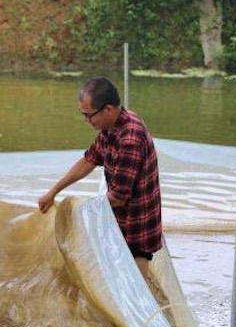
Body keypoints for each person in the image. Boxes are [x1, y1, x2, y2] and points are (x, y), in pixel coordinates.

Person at [38, 77, 162, 278]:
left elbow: (119, 197)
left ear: (109, 109)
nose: (87, 121)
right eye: (83, 115)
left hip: (137, 222)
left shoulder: (130, 139)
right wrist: (53, 192)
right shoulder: (110, 128)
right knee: (116, 277)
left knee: (135, 284)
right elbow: (88, 160)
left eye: (89, 116)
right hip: (118, 218)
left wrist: (80, 212)